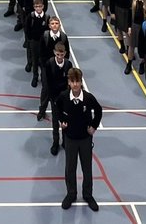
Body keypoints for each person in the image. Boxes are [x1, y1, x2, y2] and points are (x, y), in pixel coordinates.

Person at [54, 68, 102, 211]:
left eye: (78, 81)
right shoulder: (63, 97)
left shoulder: (88, 98)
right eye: (72, 81)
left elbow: (99, 110)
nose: (75, 84)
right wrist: (61, 121)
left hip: (85, 139)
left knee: (87, 168)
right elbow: (56, 108)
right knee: (70, 168)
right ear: (68, 82)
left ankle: (88, 195)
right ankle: (71, 194)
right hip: (70, 139)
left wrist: (94, 126)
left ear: (81, 82)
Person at [40, 43, 74, 153]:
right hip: (54, 98)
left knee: (65, 121)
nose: (60, 57)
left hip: (64, 98)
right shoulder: (49, 63)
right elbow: (48, 82)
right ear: (55, 53)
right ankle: (55, 142)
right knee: (55, 122)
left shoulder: (68, 64)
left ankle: (64, 141)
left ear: (65, 54)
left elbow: (69, 82)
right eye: (58, 54)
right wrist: (53, 99)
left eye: (62, 54)